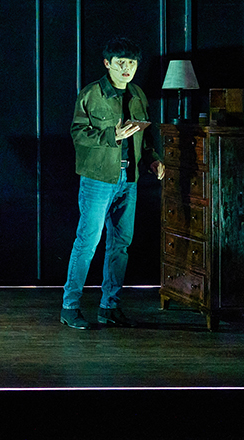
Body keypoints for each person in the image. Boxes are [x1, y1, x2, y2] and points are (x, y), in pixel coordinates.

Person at [60, 36, 165, 329]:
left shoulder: (138, 94)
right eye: (121, 63)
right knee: (87, 242)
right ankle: (70, 307)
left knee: (120, 244)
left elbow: (145, 137)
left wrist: (153, 160)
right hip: (98, 179)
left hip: (129, 179)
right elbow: (78, 133)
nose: (127, 68)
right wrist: (112, 136)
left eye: (132, 63)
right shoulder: (91, 94)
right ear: (108, 64)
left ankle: (110, 307)